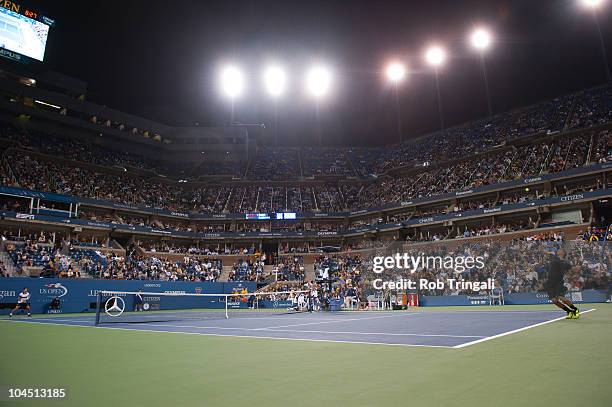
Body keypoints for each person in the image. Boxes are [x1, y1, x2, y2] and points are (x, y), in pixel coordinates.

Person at [546, 249, 580, 319]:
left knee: (561, 297)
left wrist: (577, 268)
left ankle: (575, 310)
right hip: (550, 282)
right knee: (554, 300)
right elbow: (546, 252)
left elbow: (573, 270)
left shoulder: (566, 262)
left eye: (560, 250)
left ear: (563, 253)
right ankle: (569, 311)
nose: (558, 250)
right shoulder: (555, 257)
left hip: (558, 281)